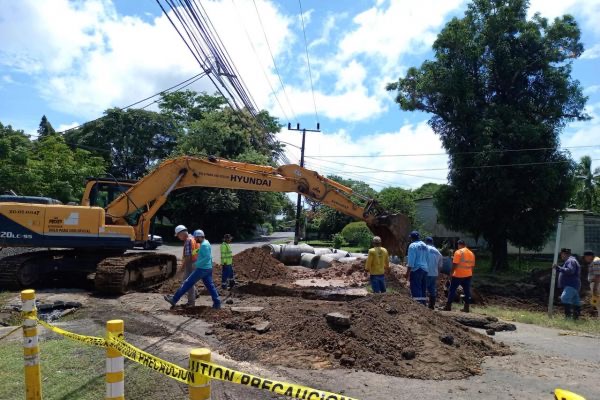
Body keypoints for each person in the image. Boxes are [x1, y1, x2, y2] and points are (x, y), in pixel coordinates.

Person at [164, 229, 221, 309]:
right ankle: (217, 303)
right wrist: (193, 252)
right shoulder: (206, 243)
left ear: (199, 237)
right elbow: (200, 250)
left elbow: (207, 257)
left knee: (187, 283)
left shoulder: (204, 245)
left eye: (196, 238)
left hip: (201, 269)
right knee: (210, 286)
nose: (195, 239)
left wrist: (196, 263)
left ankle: (174, 299)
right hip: (208, 268)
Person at [444, 239, 475, 312]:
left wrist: (451, 273)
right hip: (468, 275)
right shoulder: (471, 253)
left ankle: (448, 306)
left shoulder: (458, 252)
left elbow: (455, 264)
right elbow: (472, 266)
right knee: (467, 291)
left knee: (452, 290)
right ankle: (466, 307)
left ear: (459, 245)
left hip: (458, 275)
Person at [173, 225, 197, 307]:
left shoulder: (188, 241)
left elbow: (188, 257)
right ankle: (195, 294)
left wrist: (182, 269)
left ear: (181, 233)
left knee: (187, 283)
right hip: (196, 262)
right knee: (189, 281)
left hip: (190, 263)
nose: (178, 238)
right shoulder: (193, 238)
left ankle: (191, 302)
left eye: (178, 236)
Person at [555, 248, 581, 319]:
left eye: (562, 254)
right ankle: (576, 318)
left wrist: (559, 268)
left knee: (565, 298)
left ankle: (568, 318)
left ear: (563, 254)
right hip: (574, 284)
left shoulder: (570, 260)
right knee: (575, 301)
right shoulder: (572, 260)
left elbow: (570, 271)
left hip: (571, 284)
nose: (561, 256)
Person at [406, 231, 429, 305]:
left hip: (416, 269)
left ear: (411, 238)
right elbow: (427, 258)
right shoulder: (425, 245)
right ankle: (423, 304)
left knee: (416, 288)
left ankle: (418, 306)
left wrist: (407, 273)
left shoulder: (412, 245)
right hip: (425, 269)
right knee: (423, 288)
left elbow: (411, 261)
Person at [425, 237, 443, 310]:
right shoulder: (438, 252)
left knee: (423, 288)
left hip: (426, 272)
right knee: (432, 289)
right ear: (432, 243)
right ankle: (432, 305)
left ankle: (421, 305)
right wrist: (438, 274)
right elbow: (440, 265)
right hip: (434, 274)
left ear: (426, 242)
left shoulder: (425, 249)